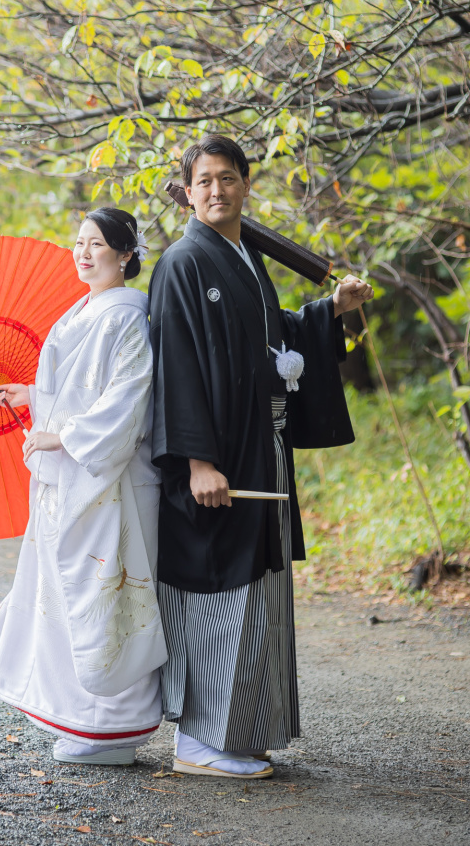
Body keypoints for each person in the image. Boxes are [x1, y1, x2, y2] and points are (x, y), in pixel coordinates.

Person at [149, 134, 373, 780]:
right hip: (220, 455)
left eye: (227, 178)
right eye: (204, 182)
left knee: (259, 593)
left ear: (246, 184)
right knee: (221, 590)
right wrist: (196, 462)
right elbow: (178, 368)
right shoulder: (183, 264)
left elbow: (273, 338)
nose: (216, 190)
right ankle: (199, 741)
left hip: (260, 445)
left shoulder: (244, 258)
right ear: (187, 193)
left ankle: (240, 732)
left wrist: (330, 313)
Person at [0, 208, 167, 765]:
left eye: (97, 244)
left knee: (108, 594)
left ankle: (116, 727)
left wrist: (65, 436)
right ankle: (80, 721)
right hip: (77, 476)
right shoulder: (81, 312)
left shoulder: (129, 316)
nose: (83, 253)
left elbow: (128, 399)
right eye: (78, 243)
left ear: (126, 255)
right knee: (69, 593)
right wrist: (34, 398)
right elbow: (83, 392)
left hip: (112, 481)